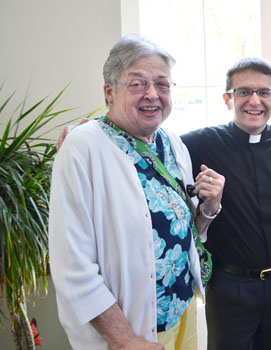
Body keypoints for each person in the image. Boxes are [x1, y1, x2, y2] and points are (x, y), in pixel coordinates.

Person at [48, 35, 224, 350]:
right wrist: (125, 339)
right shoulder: (82, 148)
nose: (152, 95)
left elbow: (179, 232)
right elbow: (71, 264)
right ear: (109, 92)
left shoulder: (170, 142)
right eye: (137, 84)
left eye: (162, 84)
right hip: (131, 330)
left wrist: (208, 209)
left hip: (182, 309)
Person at [180, 57, 271, 350]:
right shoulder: (198, 144)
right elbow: (150, 146)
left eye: (263, 92)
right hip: (230, 285)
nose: (254, 100)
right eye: (243, 92)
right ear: (227, 98)